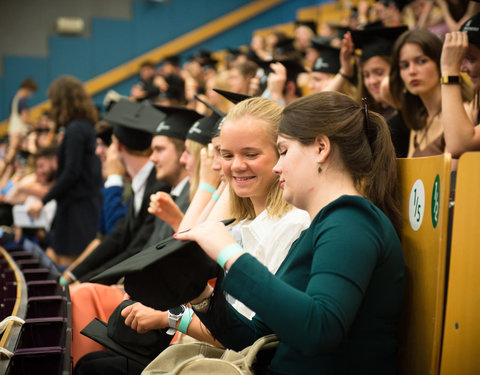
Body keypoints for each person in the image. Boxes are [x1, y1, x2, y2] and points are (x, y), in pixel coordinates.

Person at [73, 97, 311, 375]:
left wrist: (174, 316)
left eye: (251, 154)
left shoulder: (292, 225)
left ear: (281, 154)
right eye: (227, 154)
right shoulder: (249, 221)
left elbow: (253, 338)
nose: (235, 166)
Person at [175, 91, 405, 375]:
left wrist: (230, 255)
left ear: (321, 148)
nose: (277, 166)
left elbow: (319, 330)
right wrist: (201, 296)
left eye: (283, 151)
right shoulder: (326, 224)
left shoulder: (351, 221)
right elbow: (259, 339)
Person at [27, 76, 103, 266]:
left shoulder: (76, 129)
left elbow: (71, 173)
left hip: (77, 209)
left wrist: (43, 201)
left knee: (68, 266)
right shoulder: (83, 126)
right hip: (80, 205)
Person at [389, 29, 472, 157]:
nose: (412, 71)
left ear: (440, 63)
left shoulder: (464, 111)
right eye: (404, 65)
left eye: (421, 61)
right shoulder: (419, 123)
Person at [441, 12, 480, 157]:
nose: (462, 69)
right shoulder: (475, 106)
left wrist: (449, 70)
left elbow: (459, 145)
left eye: (470, 59)